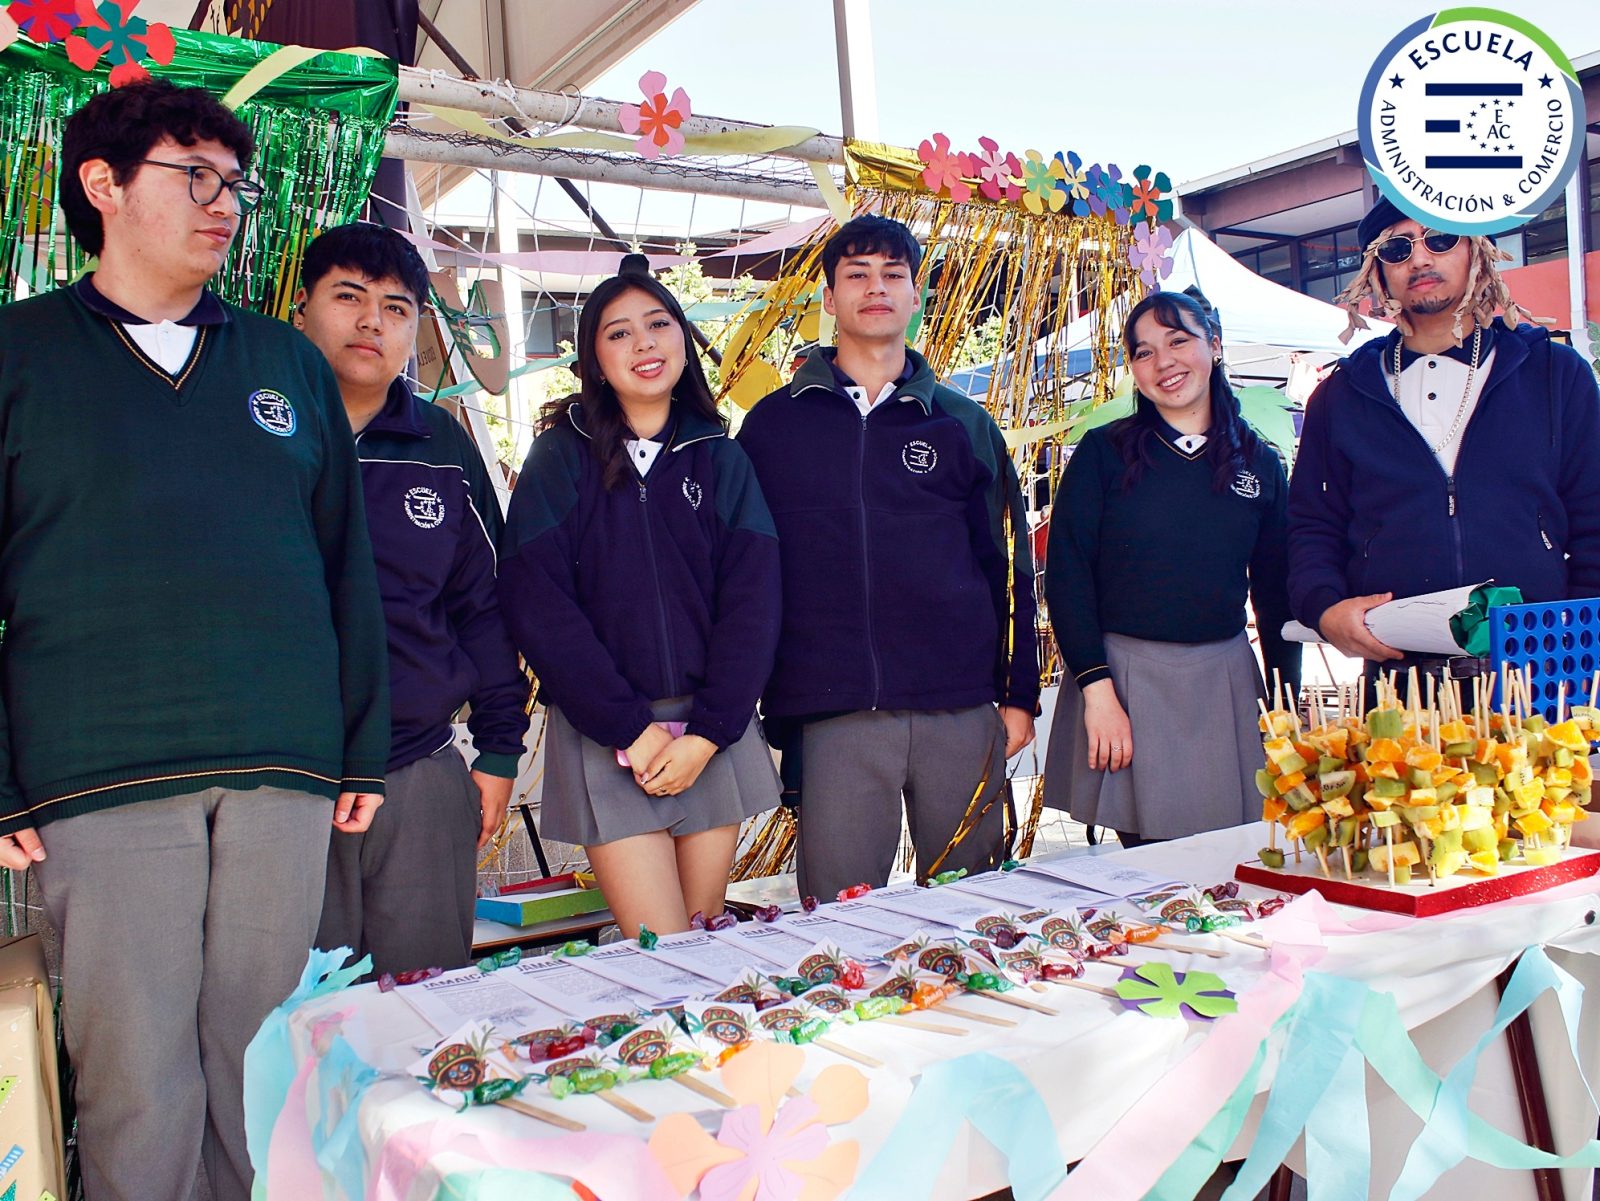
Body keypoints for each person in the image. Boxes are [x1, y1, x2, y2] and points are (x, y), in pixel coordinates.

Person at [0, 82, 389, 1201]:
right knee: (135, 1077)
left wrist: (355, 748)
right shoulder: (22, 355)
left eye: (238, 184)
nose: (226, 205)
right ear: (103, 186)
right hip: (99, 764)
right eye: (196, 177)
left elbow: (342, 567)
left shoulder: (287, 366)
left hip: (282, 764)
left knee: (264, 1059)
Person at [737, 214, 1040, 899]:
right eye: (857, 275)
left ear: (914, 295)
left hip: (960, 708)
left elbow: (1013, 568)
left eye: (892, 275)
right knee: (843, 922)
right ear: (829, 298)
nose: (876, 289)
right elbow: (747, 573)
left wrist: (1018, 695)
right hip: (833, 711)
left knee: (976, 910)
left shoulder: (964, 424)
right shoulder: (773, 427)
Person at [497, 257, 781, 938]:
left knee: (702, 940)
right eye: (618, 334)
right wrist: (630, 725)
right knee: (658, 949)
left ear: (683, 337)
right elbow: (537, 601)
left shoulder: (721, 456)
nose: (645, 344)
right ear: (593, 360)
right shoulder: (559, 458)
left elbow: (755, 600)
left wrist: (711, 730)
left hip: (711, 734)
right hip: (608, 733)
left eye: (658, 324)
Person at [293, 223, 530, 977]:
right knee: (290, 1029)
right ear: (302, 310)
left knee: (424, 1014)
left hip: (418, 772)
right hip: (282, 784)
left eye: (396, 308)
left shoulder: (442, 447)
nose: (372, 321)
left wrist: (497, 750)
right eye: (349, 297)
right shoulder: (261, 430)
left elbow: (485, 610)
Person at [1288, 197, 1600, 685]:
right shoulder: (1341, 394)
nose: (1419, 258)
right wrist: (1325, 607)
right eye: (1396, 248)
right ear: (1377, 271)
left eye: (1440, 238)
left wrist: (1575, 640)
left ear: (1477, 251)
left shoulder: (1556, 375)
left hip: (1540, 671)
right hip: (1398, 682)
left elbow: (1594, 515)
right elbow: (1311, 524)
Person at [1044, 289, 1299, 846]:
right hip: (1125, 681)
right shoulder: (1102, 452)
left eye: (1178, 341)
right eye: (1143, 352)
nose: (1164, 363)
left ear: (1214, 344)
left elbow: (1277, 596)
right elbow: (1068, 576)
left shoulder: (1261, 462)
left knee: (1237, 858)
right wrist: (1097, 689)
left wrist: (1286, 709)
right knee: (1149, 871)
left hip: (1225, 678)